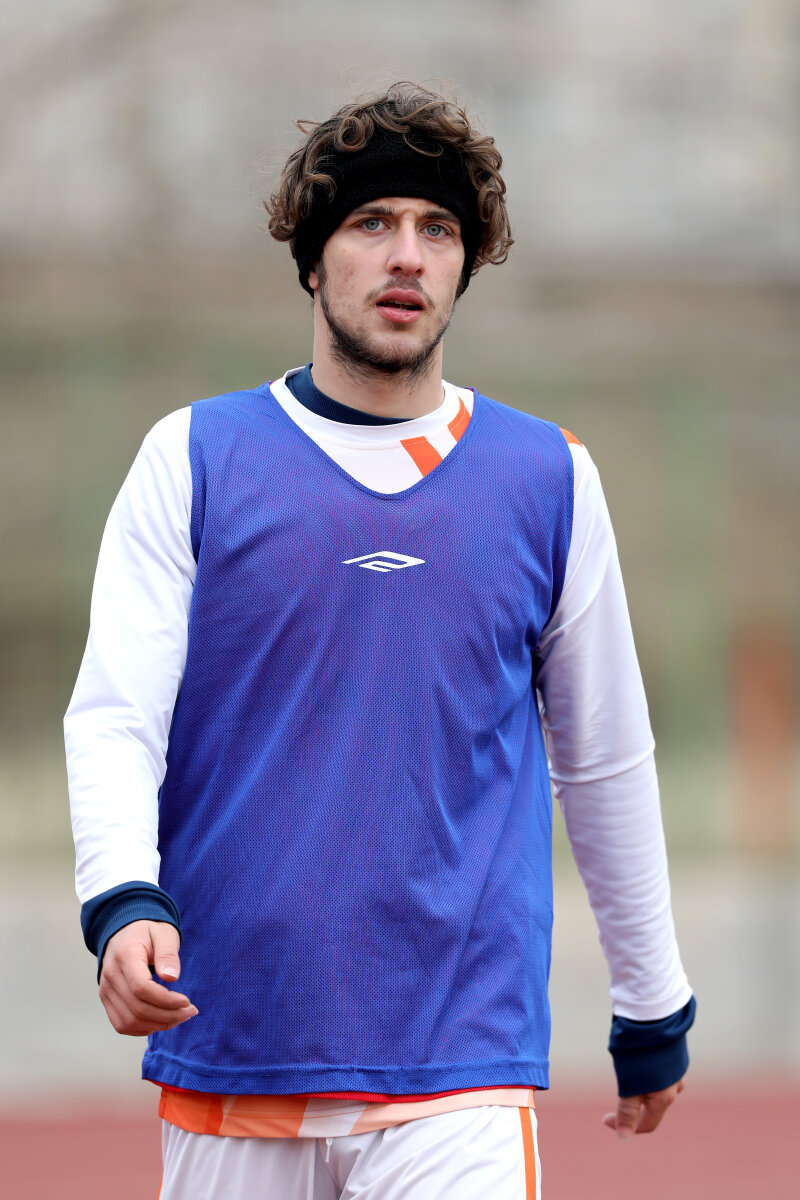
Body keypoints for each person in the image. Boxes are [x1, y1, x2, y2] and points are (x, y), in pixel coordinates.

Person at [65, 82, 695, 1199]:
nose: (407, 255)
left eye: (437, 229)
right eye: (371, 222)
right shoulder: (193, 457)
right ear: (313, 260)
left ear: (464, 265)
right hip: (237, 1032)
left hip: (461, 1059)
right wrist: (121, 898)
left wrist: (650, 997)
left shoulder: (548, 476)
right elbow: (118, 715)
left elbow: (603, 756)